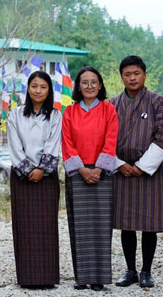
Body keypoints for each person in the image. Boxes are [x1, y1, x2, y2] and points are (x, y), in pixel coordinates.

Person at [110, 55, 163, 289]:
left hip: (148, 171)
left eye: (136, 73)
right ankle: (130, 269)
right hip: (121, 170)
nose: (132, 78)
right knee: (126, 224)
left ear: (144, 75)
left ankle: (146, 270)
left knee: (149, 224)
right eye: (127, 74)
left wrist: (142, 166)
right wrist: (119, 164)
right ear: (122, 77)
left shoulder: (157, 102)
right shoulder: (113, 104)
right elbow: (105, 140)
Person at [62, 66, 118, 292]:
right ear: (78, 86)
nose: (89, 86)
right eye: (84, 82)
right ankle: (81, 277)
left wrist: (98, 169)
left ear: (101, 85)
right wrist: (82, 170)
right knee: (79, 228)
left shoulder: (108, 110)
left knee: (101, 227)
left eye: (94, 82)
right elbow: (67, 142)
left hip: (101, 175)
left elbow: (111, 139)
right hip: (78, 175)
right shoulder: (70, 111)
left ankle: (99, 277)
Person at [7, 71, 62, 289]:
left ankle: (47, 277)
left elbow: (53, 144)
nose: (38, 91)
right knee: (24, 226)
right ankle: (27, 278)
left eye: (43, 87)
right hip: (21, 177)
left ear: (49, 90)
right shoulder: (16, 114)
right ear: (28, 89)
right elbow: (14, 145)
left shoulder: (55, 116)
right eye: (34, 86)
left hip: (46, 177)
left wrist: (41, 170)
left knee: (46, 226)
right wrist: (28, 169)